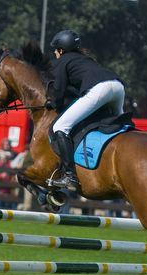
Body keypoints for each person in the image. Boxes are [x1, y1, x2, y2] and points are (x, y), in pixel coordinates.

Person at [47, 30, 124, 191]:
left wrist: (54, 104)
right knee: (122, 128)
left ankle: (70, 176)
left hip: (100, 90)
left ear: (61, 50)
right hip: (117, 87)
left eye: (55, 50)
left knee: (60, 127)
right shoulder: (85, 59)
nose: (54, 53)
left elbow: (59, 90)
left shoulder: (63, 60)